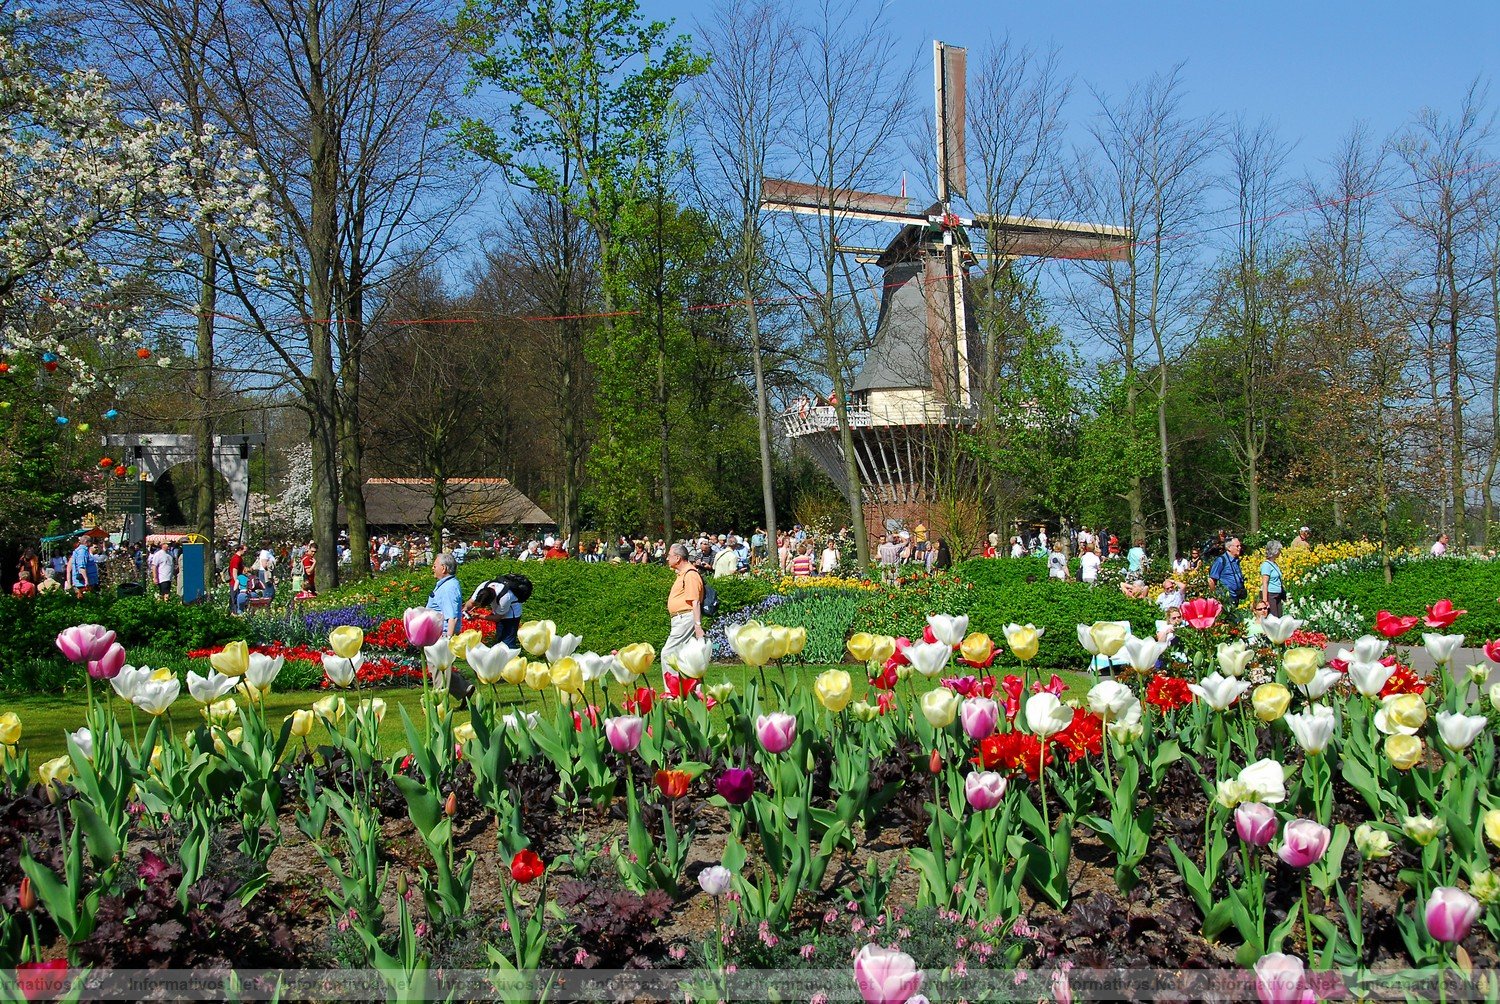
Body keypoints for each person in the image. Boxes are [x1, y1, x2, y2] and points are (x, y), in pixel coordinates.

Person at [662, 542, 705, 661]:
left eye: (669, 555)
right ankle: (684, 679)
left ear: (677, 558)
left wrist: (698, 626)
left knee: (667, 655)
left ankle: (672, 680)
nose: (667, 558)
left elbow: (695, 602)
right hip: (680, 619)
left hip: (685, 618)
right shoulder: (683, 574)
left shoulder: (690, 574)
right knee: (681, 656)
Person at [466, 576, 523, 647]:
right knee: (500, 638)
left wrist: (477, 615)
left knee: (507, 642)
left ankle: (511, 654)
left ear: (491, 601)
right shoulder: (483, 586)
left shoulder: (505, 597)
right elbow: (471, 602)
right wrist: (465, 609)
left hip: (512, 615)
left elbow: (497, 618)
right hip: (499, 611)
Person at [426, 552, 463, 638]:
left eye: (434, 566)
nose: (432, 568)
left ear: (443, 568)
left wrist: (447, 642)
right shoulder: (447, 585)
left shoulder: (449, 587)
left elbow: (452, 618)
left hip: (442, 638)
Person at [1208, 537, 1247, 606]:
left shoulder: (1236, 560)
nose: (1240, 548)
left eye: (1240, 546)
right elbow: (1211, 580)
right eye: (1237, 546)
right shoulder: (1221, 560)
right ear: (1229, 548)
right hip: (1227, 599)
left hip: (1238, 597)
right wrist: (1216, 597)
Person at [1260, 539, 1287, 617]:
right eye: (1279, 550)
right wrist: (1265, 600)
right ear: (1274, 551)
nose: (1280, 552)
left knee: (1279, 617)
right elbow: (1265, 583)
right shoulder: (1266, 565)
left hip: (1277, 594)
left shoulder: (1274, 564)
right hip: (1270, 594)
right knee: (1273, 618)